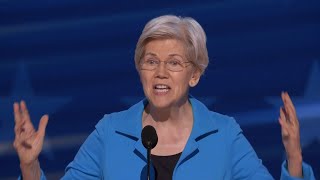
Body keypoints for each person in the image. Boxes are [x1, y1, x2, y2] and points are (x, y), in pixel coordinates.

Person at [13, 15, 315, 180]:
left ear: (194, 75)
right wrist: (29, 165)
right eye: (150, 61)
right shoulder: (110, 132)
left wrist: (294, 158)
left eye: (173, 63)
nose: (160, 72)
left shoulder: (223, 134)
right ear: (139, 70)